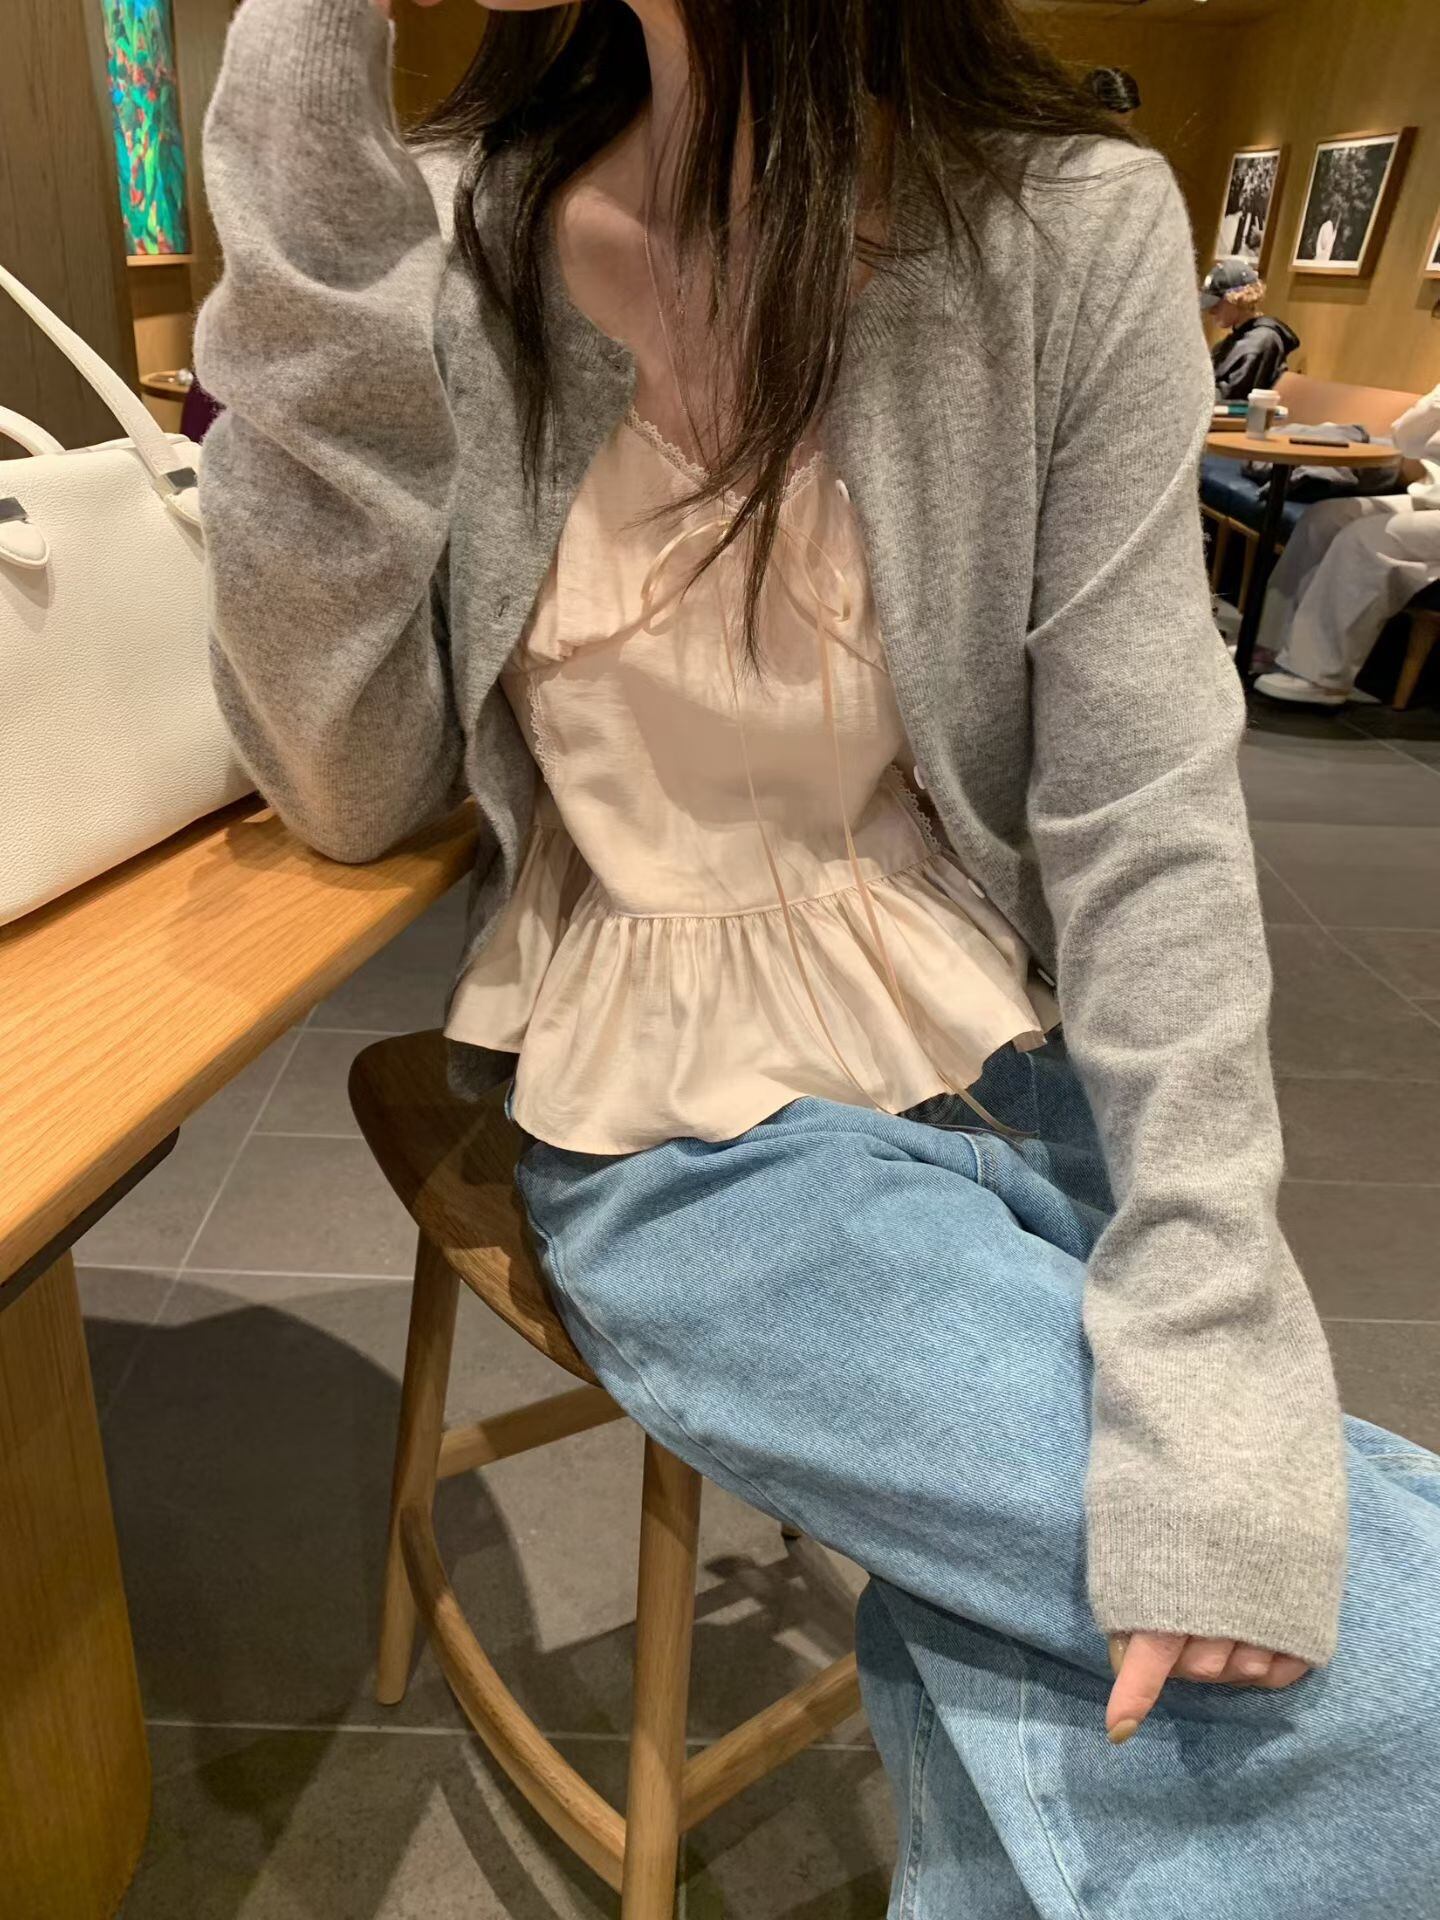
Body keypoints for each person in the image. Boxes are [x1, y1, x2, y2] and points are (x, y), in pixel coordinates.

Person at [196, 1, 1440, 1913]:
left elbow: (1146, 817)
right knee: (1379, 1668)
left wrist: (1208, 1327)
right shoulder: (440, 234)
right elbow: (344, 786)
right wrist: (301, 87)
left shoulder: (1063, 228)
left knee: (1205, 1589)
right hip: (677, 1123)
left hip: (1013, 1050)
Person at [1254, 384, 1440, 707]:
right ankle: (1270, 645)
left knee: (1366, 539)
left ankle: (1321, 677)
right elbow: (1405, 441)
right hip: (1430, 502)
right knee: (1325, 518)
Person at [1202, 256, 1300, 399]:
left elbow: (1231, 397)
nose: (1211, 311)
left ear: (1239, 298)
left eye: (1217, 304)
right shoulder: (1235, 339)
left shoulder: (1260, 342)